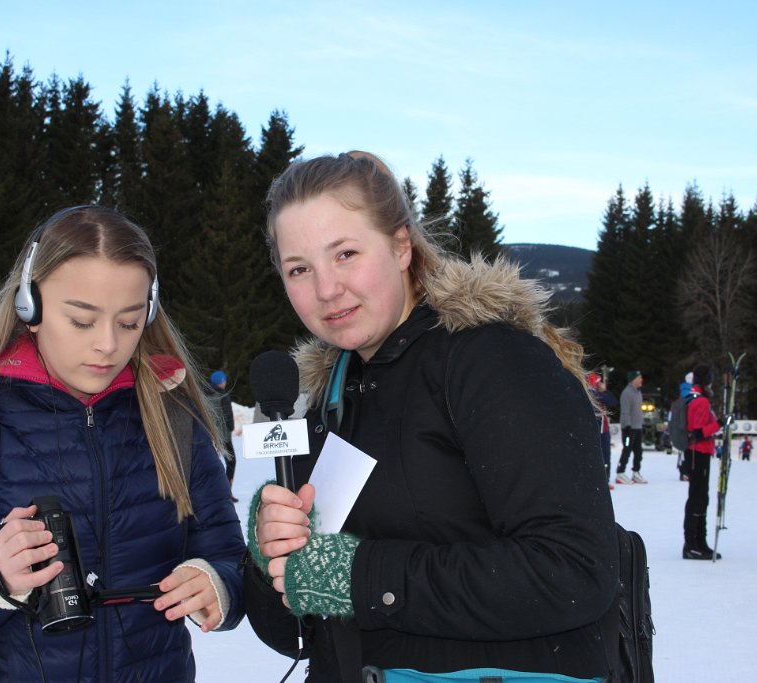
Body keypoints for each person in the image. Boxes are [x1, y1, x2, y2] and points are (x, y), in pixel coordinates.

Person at [244, 152, 619, 681]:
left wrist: (360, 577)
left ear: (401, 247)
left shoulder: (491, 361)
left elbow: (575, 572)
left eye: (346, 254)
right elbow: (297, 634)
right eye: (299, 269)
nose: (326, 289)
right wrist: (272, 558)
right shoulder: (329, 397)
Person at [0, 206, 246, 681]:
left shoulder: (174, 423)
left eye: (129, 322)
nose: (108, 344)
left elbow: (230, 562)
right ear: (29, 308)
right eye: (82, 321)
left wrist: (218, 585)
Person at [682, 363, 722, 560]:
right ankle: (692, 543)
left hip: (697, 453)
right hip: (698, 453)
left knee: (699, 497)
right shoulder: (701, 402)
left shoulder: (694, 397)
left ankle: (699, 541)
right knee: (698, 497)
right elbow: (698, 432)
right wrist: (719, 424)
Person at [209, 369, 238, 501]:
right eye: (224, 380)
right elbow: (227, 416)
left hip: (211, 435)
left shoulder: (206, 395)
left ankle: (214, 492)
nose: (225, 382)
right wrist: (230, 427)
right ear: (220, 382)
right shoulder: (222, 395)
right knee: (231, 462)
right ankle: (226, 492)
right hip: (223, 436)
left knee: (212, 463)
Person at [588, 371, 618, 490]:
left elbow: (613, 402)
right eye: (599, 382)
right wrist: (604, 391)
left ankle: (606, 479)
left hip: (604, 428)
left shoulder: (599, 393)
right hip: (597, 430)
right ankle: (598, 479)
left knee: (606, 455)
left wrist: (604, 391)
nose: (601, 384)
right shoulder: (593, 393)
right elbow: (609, 400)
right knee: (600, 455)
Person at [616, 370, 646, 484]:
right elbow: (625, 411)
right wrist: (627, 426)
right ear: (633, 380)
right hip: (629, 428)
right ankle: (620, 472)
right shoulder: (627, 393)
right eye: (639, 378)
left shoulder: (638, 392)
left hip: (637, 427)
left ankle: (636, 472)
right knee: (627, 450)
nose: (641, 380)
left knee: (638, 452)